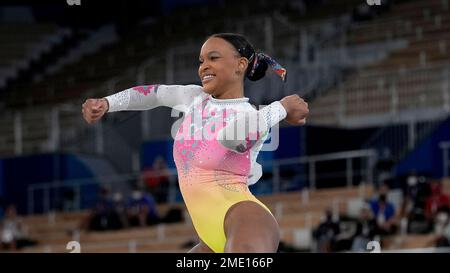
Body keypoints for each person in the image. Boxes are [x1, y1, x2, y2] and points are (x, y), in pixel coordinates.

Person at [82, 33, 309, 253]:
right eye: (201, 61)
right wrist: (107, 103)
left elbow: (232, 138)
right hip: (208, 238)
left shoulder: (250, 116)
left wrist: (282, 107)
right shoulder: (194, 98)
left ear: (240, 65)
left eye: (214, 58)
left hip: (245, 220)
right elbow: (154, 94)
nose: (203, 66)